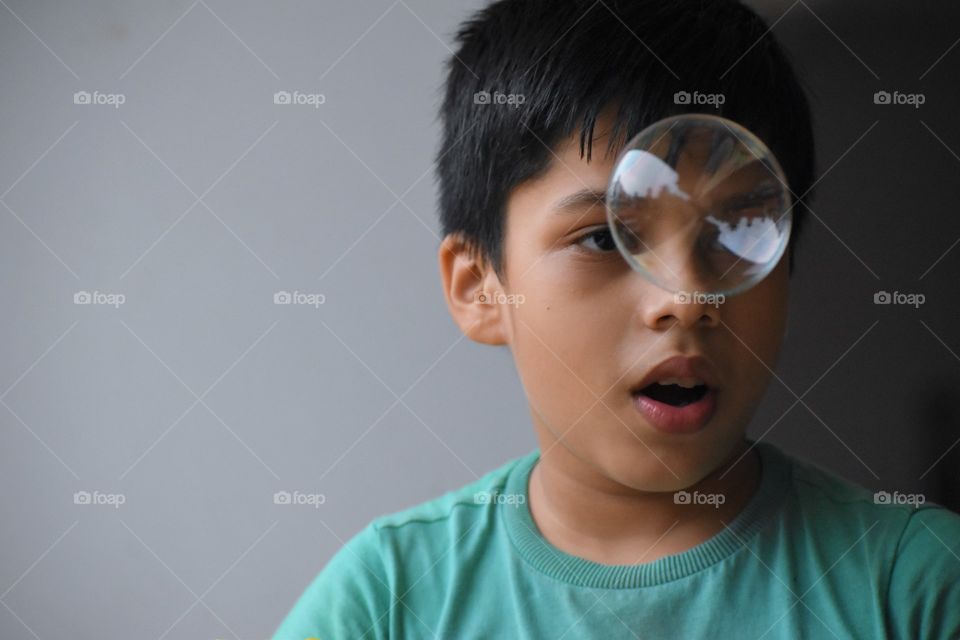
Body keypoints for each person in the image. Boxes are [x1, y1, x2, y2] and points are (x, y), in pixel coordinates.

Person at [274, 1, 960, 637]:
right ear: (481, 287)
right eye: (604, 238)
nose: (688, 299)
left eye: (735, 233)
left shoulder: (917, 587)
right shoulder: (386, 598)